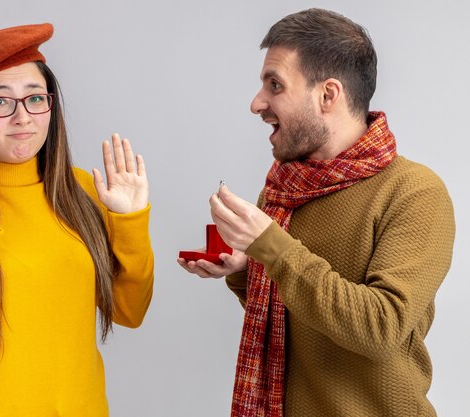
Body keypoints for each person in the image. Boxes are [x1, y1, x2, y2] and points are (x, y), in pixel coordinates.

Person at [178, 8, 454, 417]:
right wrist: (243, 270)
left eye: (275, 85)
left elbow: (381, 329)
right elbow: (290, 326)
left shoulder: (414, 192)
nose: (257, 103)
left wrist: (273, 250)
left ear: (328, 95)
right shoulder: (284, 190)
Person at [0, 23, 154, 416]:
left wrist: (130, 222)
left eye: (36, 98)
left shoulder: (84, 190)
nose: (23, 117)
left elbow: (130, 311)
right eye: (0, 102)